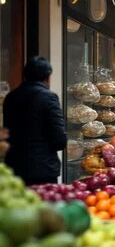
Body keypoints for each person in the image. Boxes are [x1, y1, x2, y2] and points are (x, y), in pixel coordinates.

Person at [4, 56, 67, 185]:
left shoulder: (11, 97)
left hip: (15, 167)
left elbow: (7, 133)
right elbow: (59, 139)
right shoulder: (49, 98)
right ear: (47, 77)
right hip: (43, 170)